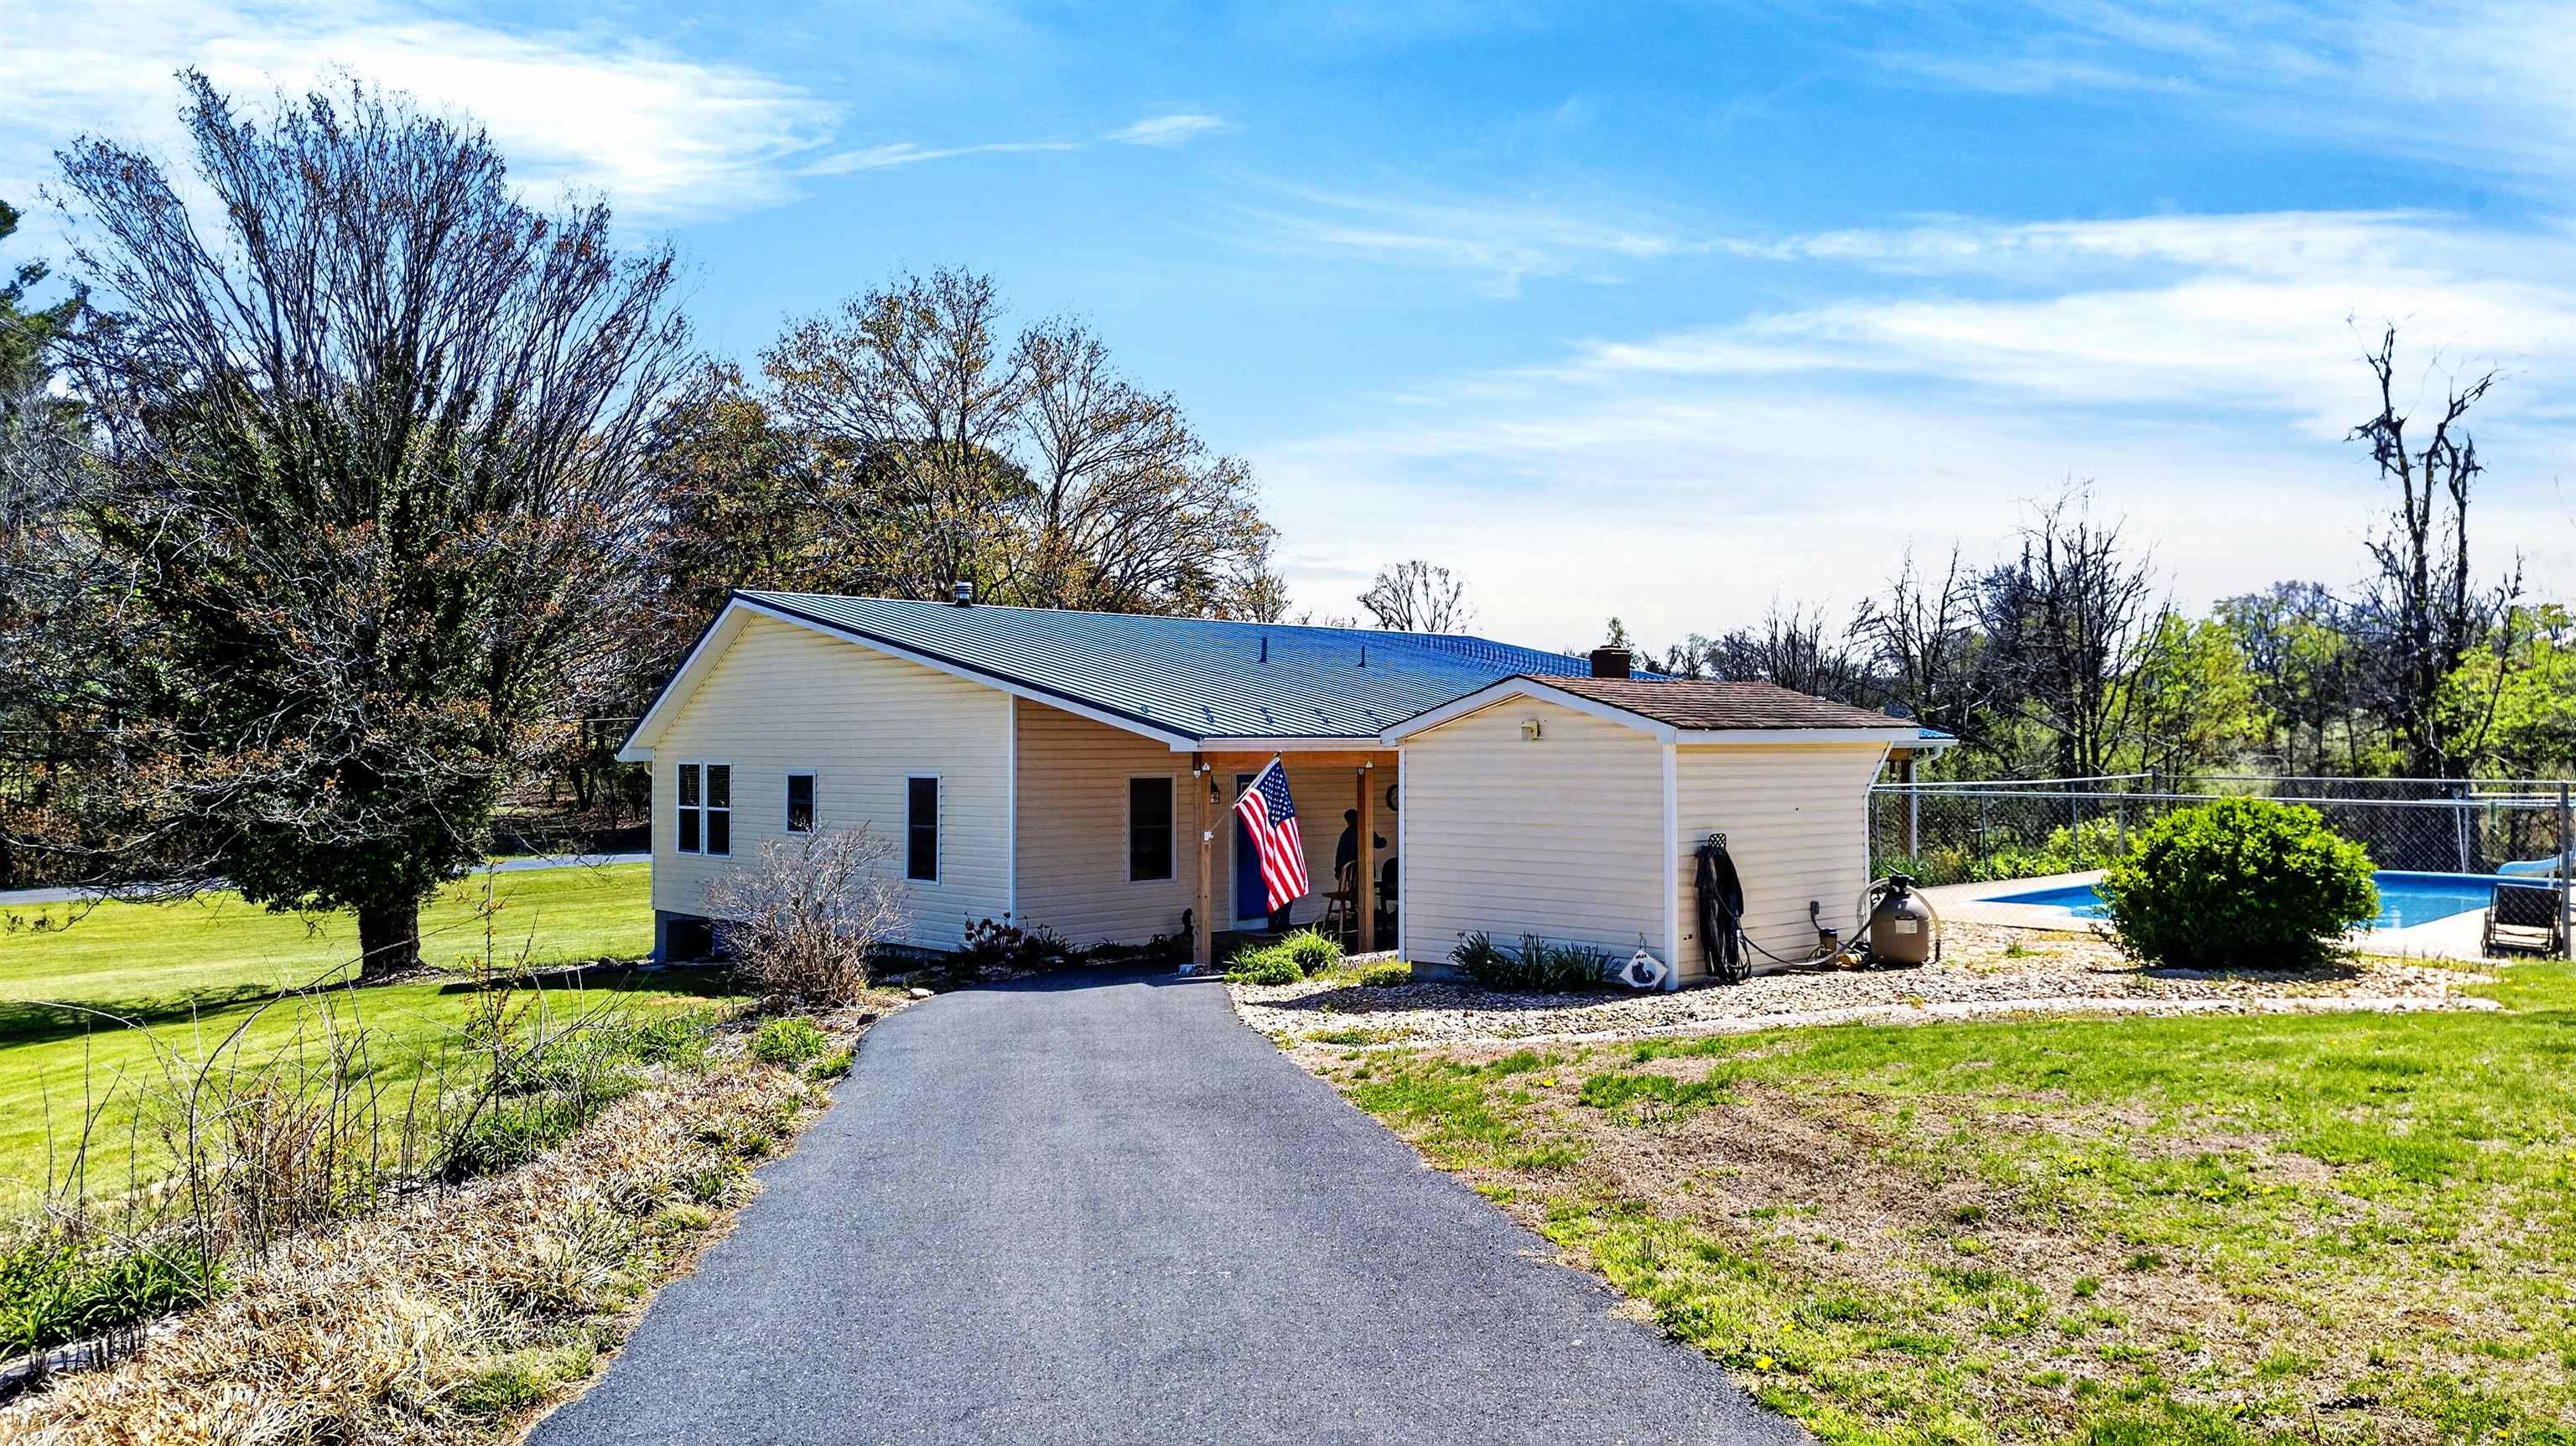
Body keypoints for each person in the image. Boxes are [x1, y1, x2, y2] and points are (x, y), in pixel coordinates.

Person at [1335, 809, 1386, 880]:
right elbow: (1380, 844)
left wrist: (1338, 870)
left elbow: (1340, 854)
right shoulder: (1366, 831)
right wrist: (1383, 840)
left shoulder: (1346, 834)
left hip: (1350, 872)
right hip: (1364, 870)